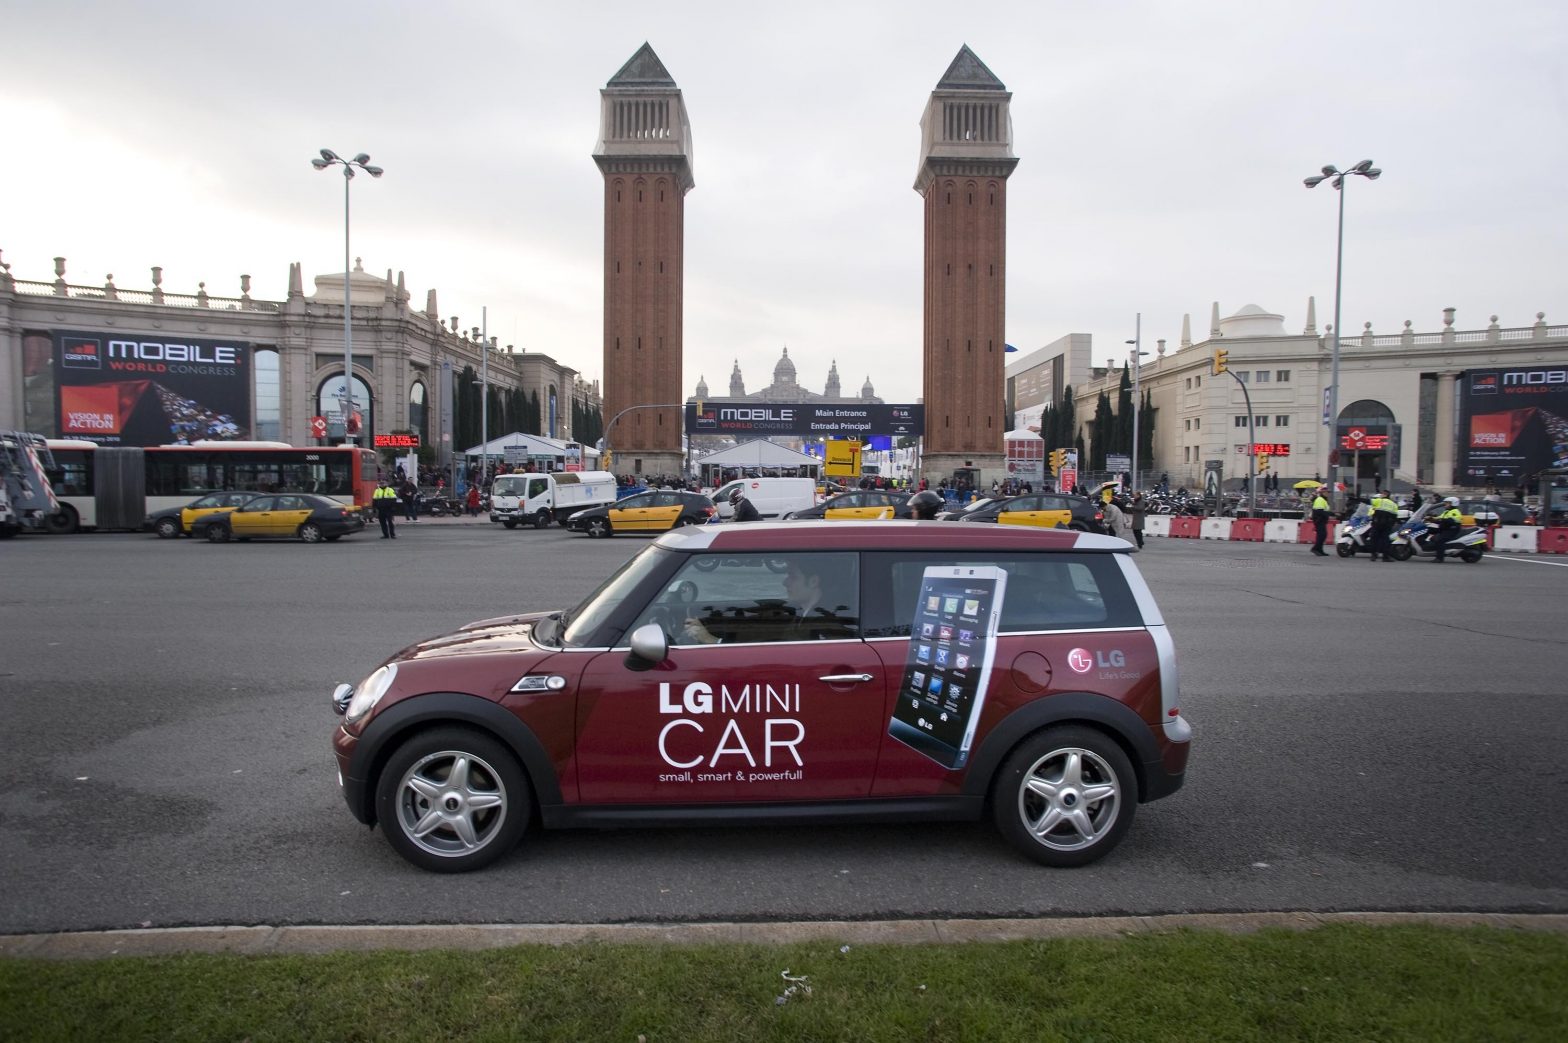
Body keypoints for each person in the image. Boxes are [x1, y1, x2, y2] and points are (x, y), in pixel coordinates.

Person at [681, 559, 851, 644]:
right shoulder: (804, 613)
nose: (785, 582)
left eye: (792, 576)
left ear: (813, 581)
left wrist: (710, 640)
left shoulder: (824, 624)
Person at [1367, 489, 1399, 562]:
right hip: (1387, 525)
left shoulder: (1379, 501)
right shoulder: (1393, 504)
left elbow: (1368, 501)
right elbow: (1395, 516)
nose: (1381, 495)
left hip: (1377, 523)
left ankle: (1373, 555)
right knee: (1385, 540)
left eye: (1382, 494)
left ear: (1385, 495)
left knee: (1374, 539)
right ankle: (1385, 557)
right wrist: (1392, 524)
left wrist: (1356, 499)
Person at [1431, 496, 1463, 563]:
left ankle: (1440, 558)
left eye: (1447, 503)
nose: (1445, 504)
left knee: (1440, 540)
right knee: (1432, 537)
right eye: (1445, 503)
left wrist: (1442, 520)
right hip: (1445, 529)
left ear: (1453, 504)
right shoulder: (1447, 511)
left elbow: (1452, 520)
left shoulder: (1455, 512)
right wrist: (1430, 518)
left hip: (1452, 530)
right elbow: (1439, 517)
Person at [1309, 486, 1331, 556]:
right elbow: (1319, 511)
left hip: (1322, 520)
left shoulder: (1323, 500)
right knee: (1321, 535)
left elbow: (1325, 510)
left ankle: (1320, 550)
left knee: (1322, 535)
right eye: (1327, 492)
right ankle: (1315, 549)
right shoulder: (1320, 499)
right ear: (1322, 493)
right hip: (1319, 520)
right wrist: (1329, 514)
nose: (1328, 493)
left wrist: (1333, 513)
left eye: (1328, 492)